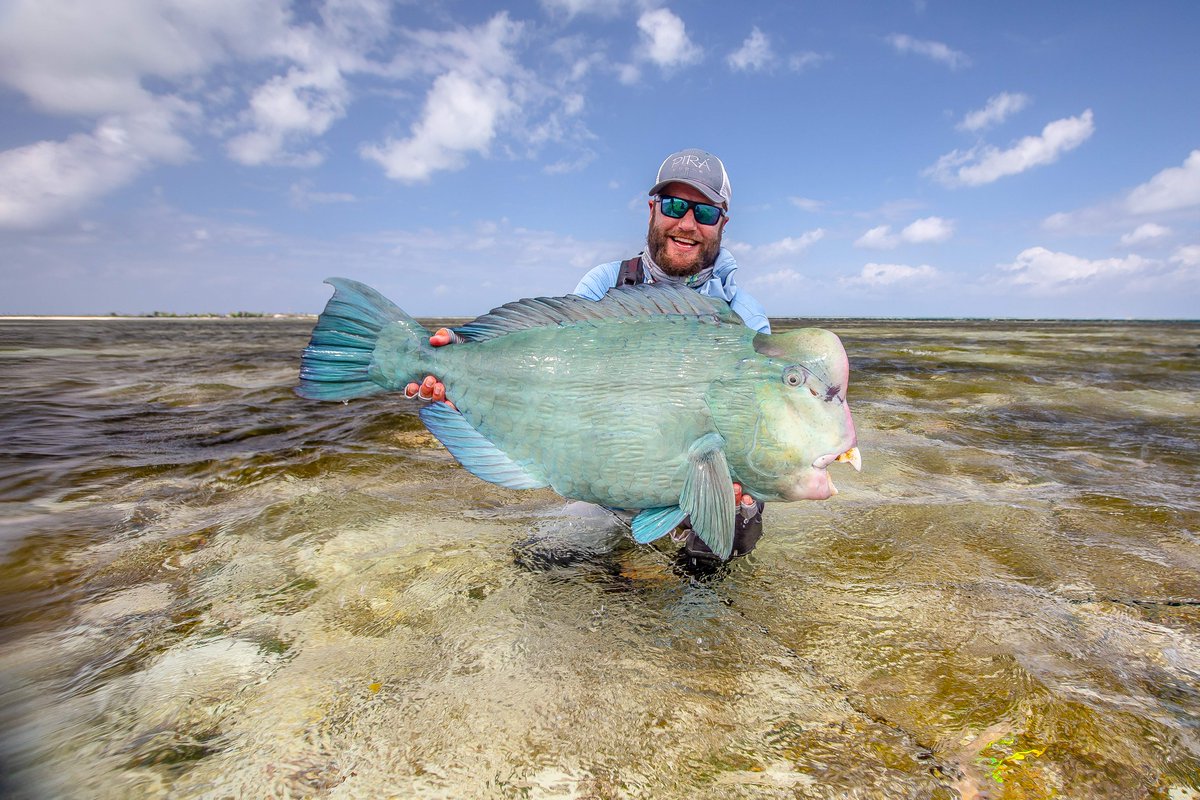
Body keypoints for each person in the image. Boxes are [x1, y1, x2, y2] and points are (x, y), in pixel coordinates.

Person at [406, 148, 770, 562]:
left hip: (700, 481)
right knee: (540, 560)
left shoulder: (746, 318)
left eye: (704, 212)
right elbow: (553, 371)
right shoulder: (604, 283)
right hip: (607, 489)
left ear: (722, 222)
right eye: (674, 205)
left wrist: (742, 484)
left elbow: (757, 426)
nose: (687, 224)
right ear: (652, 209)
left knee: (726, 545)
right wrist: (463, 365)